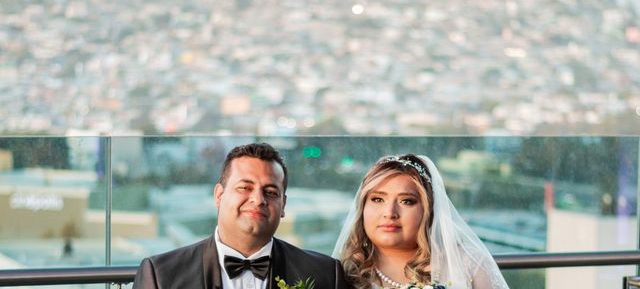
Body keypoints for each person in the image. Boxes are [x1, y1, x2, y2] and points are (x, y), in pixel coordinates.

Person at [134, 142, 349, 289]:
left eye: (271, 192)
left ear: (283, 205)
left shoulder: (326, 275)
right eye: (244, 188)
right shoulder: (161, 276)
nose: (258, 199)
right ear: (219, 195)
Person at [333, 154, 509, 289]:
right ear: (362, 207)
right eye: (378, 199)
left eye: (406, 201)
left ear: (428, 209)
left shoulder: (469, 264)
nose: (390, 213)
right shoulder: (340, 274)